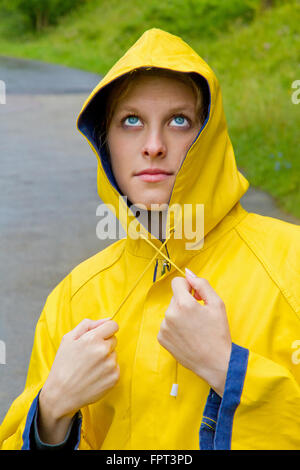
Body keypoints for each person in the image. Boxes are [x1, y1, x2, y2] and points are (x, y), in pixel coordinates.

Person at [0, 27, 300, 451]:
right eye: (131, 121)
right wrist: (50, 416)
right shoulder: (74, 297)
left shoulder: (292, 265)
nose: (154, 146)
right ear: (105, 141)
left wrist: (230, 371)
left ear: (209, 136)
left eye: (179, 121)